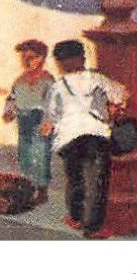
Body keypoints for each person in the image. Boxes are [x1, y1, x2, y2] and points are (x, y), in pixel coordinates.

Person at [41, 39, 127, 239]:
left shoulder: (58, 86)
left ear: (59, 64)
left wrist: (47, 129)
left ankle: (75, 217)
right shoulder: (96, 79)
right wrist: (112, 108)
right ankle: (93, 227)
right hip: (95, 134)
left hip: (69, 137)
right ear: (82, 58)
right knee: (96, 182)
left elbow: (50, 116)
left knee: (75, 178)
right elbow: (120, 94)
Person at [1, 40, 54, 205]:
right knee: (25, 155)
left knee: (41, 153)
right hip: (23, 119)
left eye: (30, 58)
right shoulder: (19, 81)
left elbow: (52, 103)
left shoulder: (48, 80)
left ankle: (42, 191)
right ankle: (27, 188)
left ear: (42, 58)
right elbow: (12, 99)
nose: (26, 61)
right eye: (23, 58)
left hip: (40, 119)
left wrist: (48, 122)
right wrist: (8, 112)